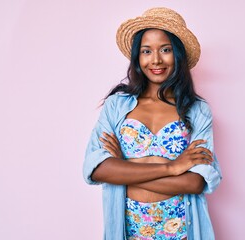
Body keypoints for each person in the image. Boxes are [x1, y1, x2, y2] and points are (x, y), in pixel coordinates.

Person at [83, 7, 222, 240]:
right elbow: (97, 169)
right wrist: (172, 167)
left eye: (165, 50)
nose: (156, 60)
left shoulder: (197, 110)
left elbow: (196, 182)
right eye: (147, 51)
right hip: (129, 230)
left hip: (181, 230)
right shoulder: (117, 106)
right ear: (138, 56)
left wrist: (123, 169)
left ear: (177, 55)